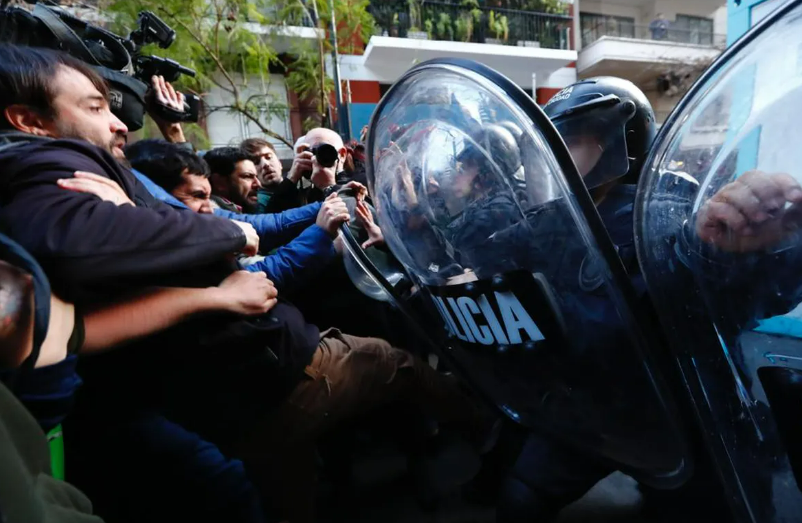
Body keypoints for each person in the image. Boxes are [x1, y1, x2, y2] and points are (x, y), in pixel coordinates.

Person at [0, 44, 495, 523]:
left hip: (243, 379)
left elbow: (254, 231)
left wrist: (324, 207)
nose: (116, 123)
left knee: (283, 481)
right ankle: (488, 430)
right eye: (94, 106)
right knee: (396, 368)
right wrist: (231, 247)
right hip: (264, 371)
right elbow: (86, 278)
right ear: (28, 120)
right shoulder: (49, 179)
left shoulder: (103, 176)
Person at [126, 139, 340, 292]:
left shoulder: (207, 216)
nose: (208, 209)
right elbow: (264, 272)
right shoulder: (182, 244)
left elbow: (273, 224)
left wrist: (330, 199)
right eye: (248, 176)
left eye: (269, 157)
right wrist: (322, 232)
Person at [241, 137, 305, 213]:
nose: (265, 164)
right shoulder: (257, 203)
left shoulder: (301, 189)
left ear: (279, 163)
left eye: (268, 157)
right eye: (256, 162)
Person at [205, 146, 262, 213]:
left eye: (257, 177)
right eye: (247, 176)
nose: (258, 184)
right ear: (219, 182)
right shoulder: (212, 216)